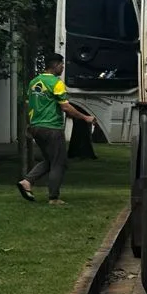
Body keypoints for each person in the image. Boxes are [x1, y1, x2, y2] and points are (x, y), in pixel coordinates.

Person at [18, 54, 95, 205]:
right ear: (56, 65)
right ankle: (54, 198)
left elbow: (29, 104)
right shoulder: (56, 83)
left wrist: (30, 124)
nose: (63, 67)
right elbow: (65, 107)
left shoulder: (34, 82)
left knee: (50, 160)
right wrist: (85, 117)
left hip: (36, 127)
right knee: (59, 163)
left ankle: (27, 182)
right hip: (51, 127)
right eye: (62, 65)